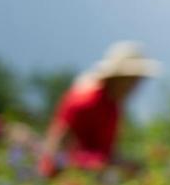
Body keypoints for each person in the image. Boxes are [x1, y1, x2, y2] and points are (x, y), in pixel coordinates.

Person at [38, 42, 161, 177]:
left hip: (91, 178)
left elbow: (104, 152)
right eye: (132, 79)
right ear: (117, 77)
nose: (136, 86)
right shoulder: (85, 101)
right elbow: (56, 149)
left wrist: (122, 164)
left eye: (138, 80)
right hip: (66, 178)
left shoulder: (113, 106)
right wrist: (104, 164)